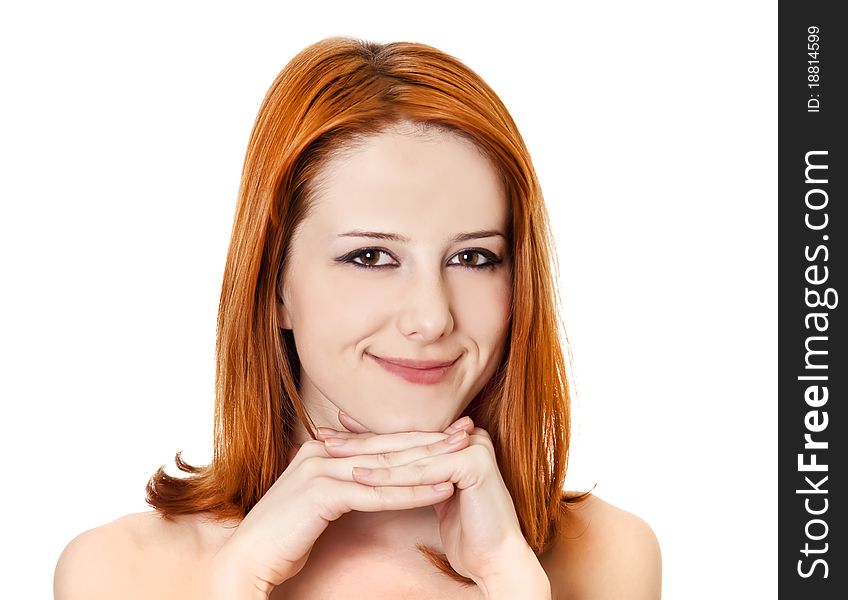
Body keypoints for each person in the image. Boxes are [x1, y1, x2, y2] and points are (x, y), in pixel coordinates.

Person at [53, 37, 661, 599]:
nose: (430, 318)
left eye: (473, 257)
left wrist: (509, 575)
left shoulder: (603, 557)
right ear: (274, 289)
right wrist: (237, 580)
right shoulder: (121, 571)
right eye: (370, 257)